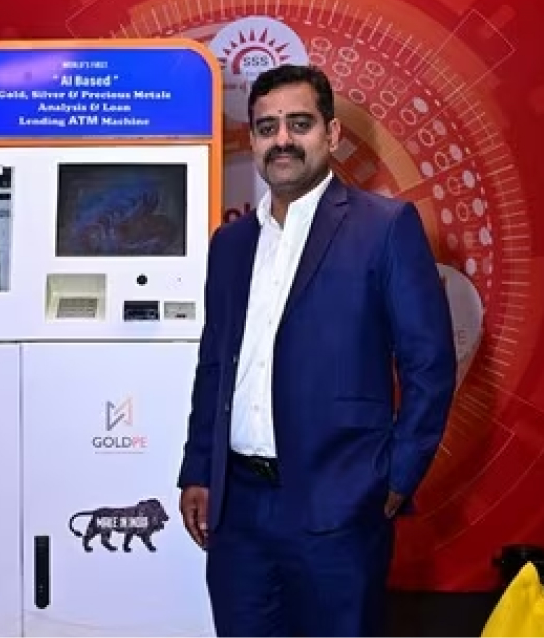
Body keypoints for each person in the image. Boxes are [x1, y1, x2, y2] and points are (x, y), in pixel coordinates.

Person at [176, 64, 458, 637]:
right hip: (238, 512)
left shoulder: (384, 227)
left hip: (341, 506)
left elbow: (429, 364)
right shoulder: (230, 244)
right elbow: (215, 365)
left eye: (299, 124)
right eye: (267, 127)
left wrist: (396, 476)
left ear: (330, 133)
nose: (282, 139)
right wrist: (199, 470)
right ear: (254, 140)